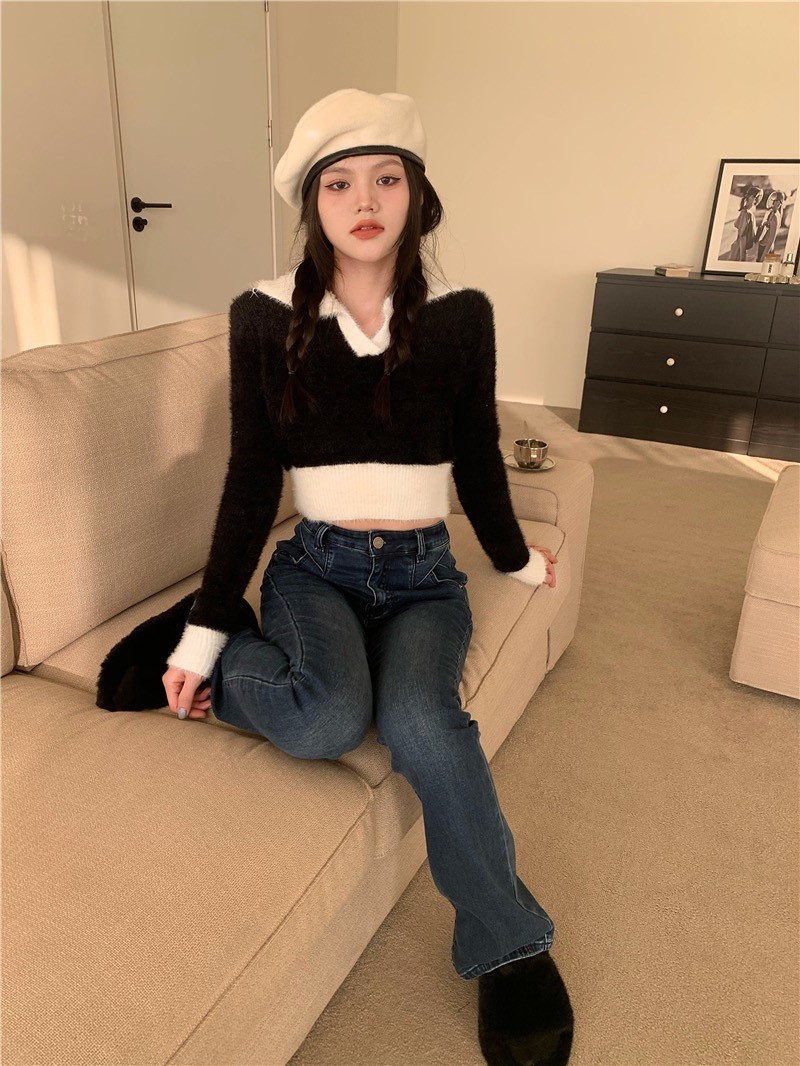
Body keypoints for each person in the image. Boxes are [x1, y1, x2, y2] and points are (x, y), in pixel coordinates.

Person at [102, 89, 574, 1066]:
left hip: (423, 578)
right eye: (338, 183)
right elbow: (250, 480)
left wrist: (516, 557)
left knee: (420, 724)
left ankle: (509, 946)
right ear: (312, 204)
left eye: (385, 178)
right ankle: (223, 649)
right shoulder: (264, 317)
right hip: (313, 572)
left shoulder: (461, 319)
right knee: (325, 720)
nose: (364, 199)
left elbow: (478, 457)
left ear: (416, 195)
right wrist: (205, 630)